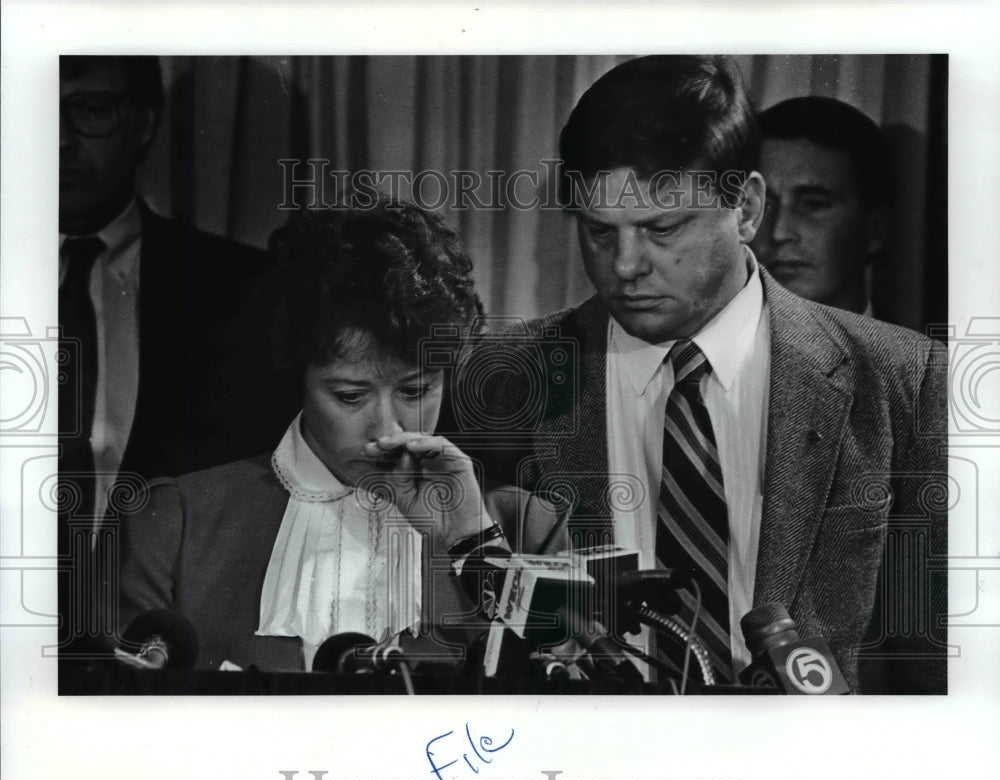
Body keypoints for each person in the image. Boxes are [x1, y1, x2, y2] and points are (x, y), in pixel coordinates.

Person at [458, 56, 947, 694]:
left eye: (662, 228)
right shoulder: (502, 376)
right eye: (599, 232)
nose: (626, 266)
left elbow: (937, 667)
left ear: (745, 208)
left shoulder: (905, 381)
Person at [115, 199, 568, 674]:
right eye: (351, 397)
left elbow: (566, 709)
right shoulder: (173, 522)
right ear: (299, 377)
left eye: (415, 391)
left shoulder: (528, 529)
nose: (388, 431)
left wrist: (474, 543)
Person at [59, 56, 296, 657]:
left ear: (144, 122)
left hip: (152, 658)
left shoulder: (246, 293)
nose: (56, 138)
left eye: (89, 110)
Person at [749, 96, 894, 318]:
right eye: (764, 205)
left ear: (875, 231)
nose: (779, 232)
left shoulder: (923, 352)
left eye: (813, 205)